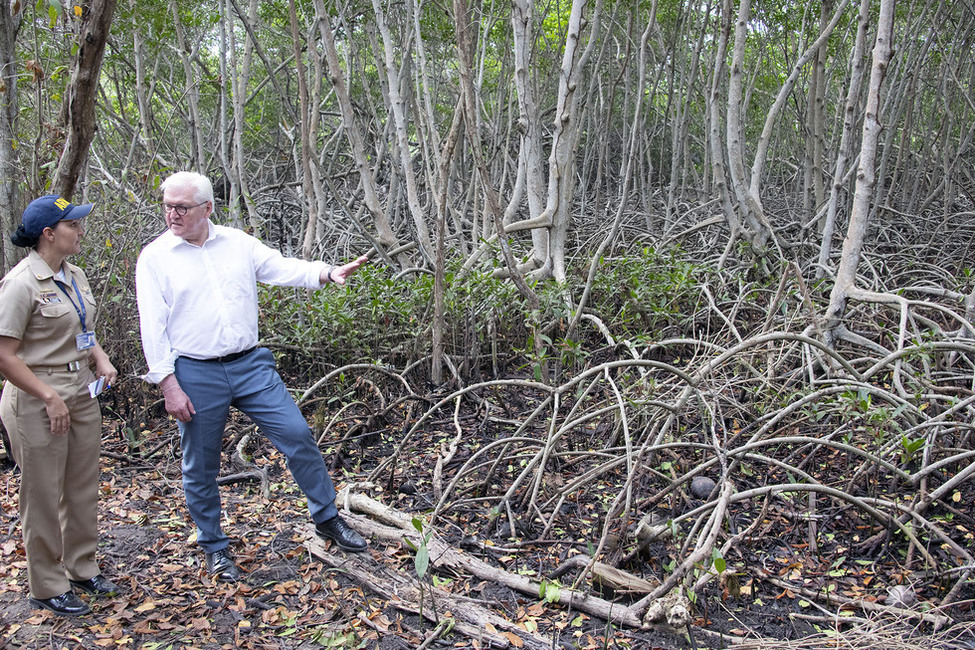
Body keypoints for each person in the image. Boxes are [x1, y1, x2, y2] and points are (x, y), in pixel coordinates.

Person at [136, 171, 370, 583]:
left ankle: (327, 517)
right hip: (194, 370)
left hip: (249, 365)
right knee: (201, 464)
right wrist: (168, 384)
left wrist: (326, 273)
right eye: (168, 205)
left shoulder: (236, 243)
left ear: (207, 208)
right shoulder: (155, 257)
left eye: (182, 207)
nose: (172, 214)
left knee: (297, 434)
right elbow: (151, 328)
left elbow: (277, 267)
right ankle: (214, 547)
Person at [0, 195, 120, 616]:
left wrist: (100, 357)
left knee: (82, 486)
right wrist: (48, 396)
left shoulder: (75, 274)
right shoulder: (20, 283)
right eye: (73, 225)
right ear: (49, 234)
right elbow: (5, 355)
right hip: (37, 395)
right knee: (43, 493)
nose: (81, 231)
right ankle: (47, 585)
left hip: (81, 388)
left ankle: (81, 568)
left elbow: (82, 330)